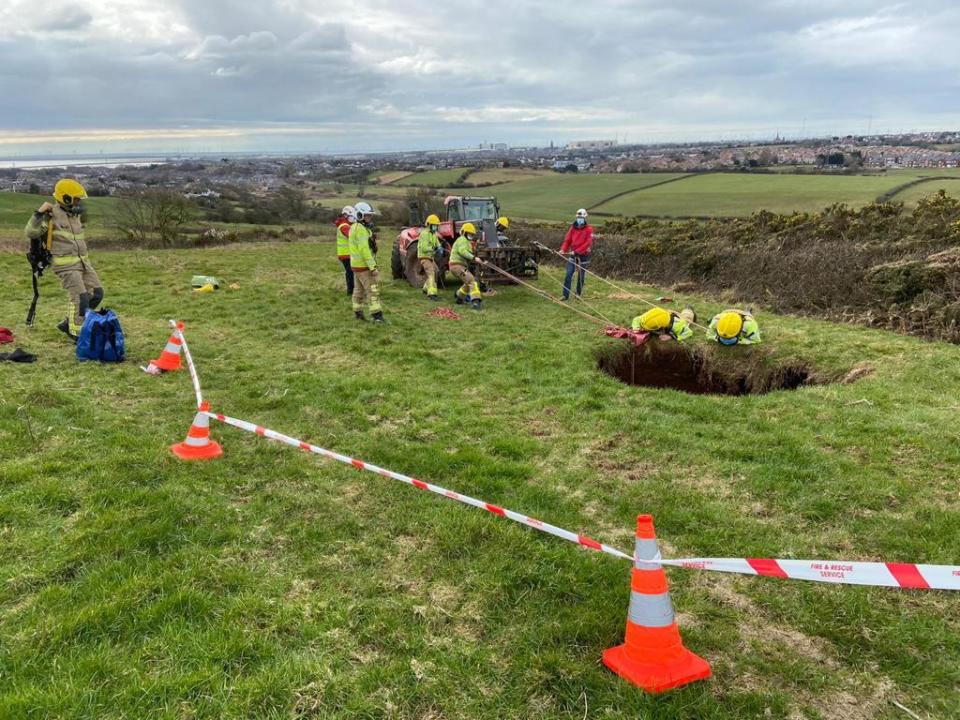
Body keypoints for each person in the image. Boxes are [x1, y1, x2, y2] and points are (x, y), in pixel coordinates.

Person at [24, 178, 103, 341]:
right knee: (80, 298)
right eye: (76, 198)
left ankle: (69, 322)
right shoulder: (50, 215)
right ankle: (76, 334)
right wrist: (39, 213)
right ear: (66, 198)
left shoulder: (75, 215)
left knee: (97, 294)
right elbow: (31, 232)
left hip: (83, 262)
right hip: (65, 266)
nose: (79, 202)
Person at [348, 201, 385, 323]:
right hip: (364, 267)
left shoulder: (354, 227)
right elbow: (364, 250)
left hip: (356, 266)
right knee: (372, 290)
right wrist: (373, 267)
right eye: (367, 215)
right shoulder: (361, 230)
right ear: (359, 215)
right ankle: (377, 317)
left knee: (358, 290)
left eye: (370, 215)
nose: (370, 217)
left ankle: (358, 313)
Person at [560, 208, 593, 301]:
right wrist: (563, 249)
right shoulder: (572, 228)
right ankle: (565, 295)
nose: (580, 219)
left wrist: (577, 251)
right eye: (578, 217)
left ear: (585, 218)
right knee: (568, 275)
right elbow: (567, 240)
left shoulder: (589, 229)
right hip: (573, 255)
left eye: (581, 217)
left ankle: (578, 294)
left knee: (581, 276)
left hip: (584, 255)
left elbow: (588, 243)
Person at [449, 222, 483, 310]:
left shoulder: (466, 242)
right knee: (472, 280)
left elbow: (468, 253)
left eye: (472, 234)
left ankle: (459, 297)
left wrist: (476, 259)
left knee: (467, 283)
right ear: (464, 232)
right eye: (469, 233)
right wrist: (474, 258)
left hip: (459, 266)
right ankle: (476, 302)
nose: (471, 235)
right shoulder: (462, 240)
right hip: (457, 266)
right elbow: (463, 252)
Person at [632, 306, 696, 342]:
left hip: (684, 318)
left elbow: (688, 332)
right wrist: (636, 328)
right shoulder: (648, 317)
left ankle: (689, 308)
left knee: (687, 315)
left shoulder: (677, 326)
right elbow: (637, 319)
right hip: (667, 314)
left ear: (661, 327)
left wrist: (671, 337)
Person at [417, 214, 443, 301]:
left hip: (430, 257)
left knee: (436, 270)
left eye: (436, 225)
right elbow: (424, 248)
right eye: (434, 225)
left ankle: (425, 288)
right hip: (424, 257)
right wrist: (434, 248)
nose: (436, 227)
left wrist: (440, 247)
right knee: (431, 273)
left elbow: (437, 242)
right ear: (429, 225)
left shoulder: (433, 234)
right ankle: (432, 294)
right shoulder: (424, 234)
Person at [334, 205, 356, 297]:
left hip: (345, 254)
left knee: (350, 272)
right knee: (350, 273)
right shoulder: (344, 226)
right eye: (352, 216)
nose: (353, 219)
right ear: (347, 215)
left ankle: (351, 291)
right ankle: (351, 292)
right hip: (346, 254)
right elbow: (352, 237)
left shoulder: (344, 225)